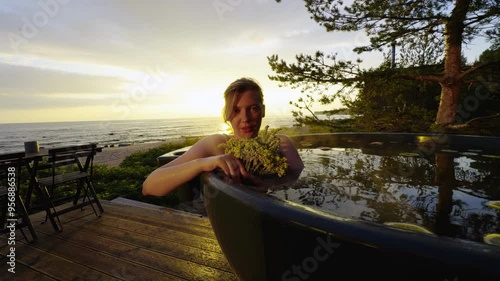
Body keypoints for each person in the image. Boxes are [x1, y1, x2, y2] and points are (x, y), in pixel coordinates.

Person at [142, 77, 304, 197]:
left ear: (263, 110)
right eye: (236, 110)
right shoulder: (217, 144)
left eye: (253, 108)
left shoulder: (280, 144)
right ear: (227, 115)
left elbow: (300, 180)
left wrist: (269, 184)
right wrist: (203, 163)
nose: (245, 119)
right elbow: (149, 186)